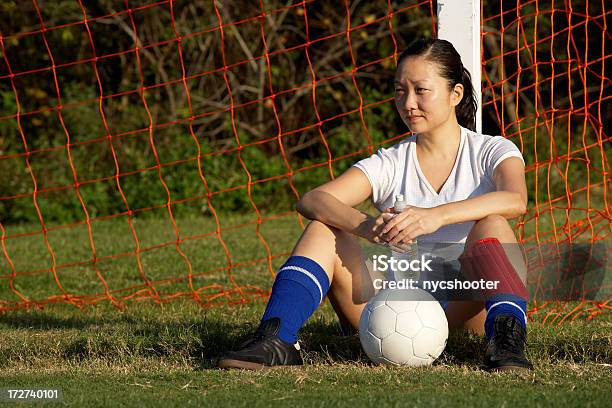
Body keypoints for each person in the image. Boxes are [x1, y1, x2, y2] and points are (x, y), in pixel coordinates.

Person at [217, 38, 533, 371]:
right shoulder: (391, 161)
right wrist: (371, 227)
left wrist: (434, 217)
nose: (408, 103)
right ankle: (275, 338)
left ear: (455, 94)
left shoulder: (490, 151)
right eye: (400, 91)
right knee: (323, 228)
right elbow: (313, 199)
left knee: (493, 223)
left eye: (421, 90)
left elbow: (516, 200)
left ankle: (505, 341)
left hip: (463, 303)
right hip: (389, 308)